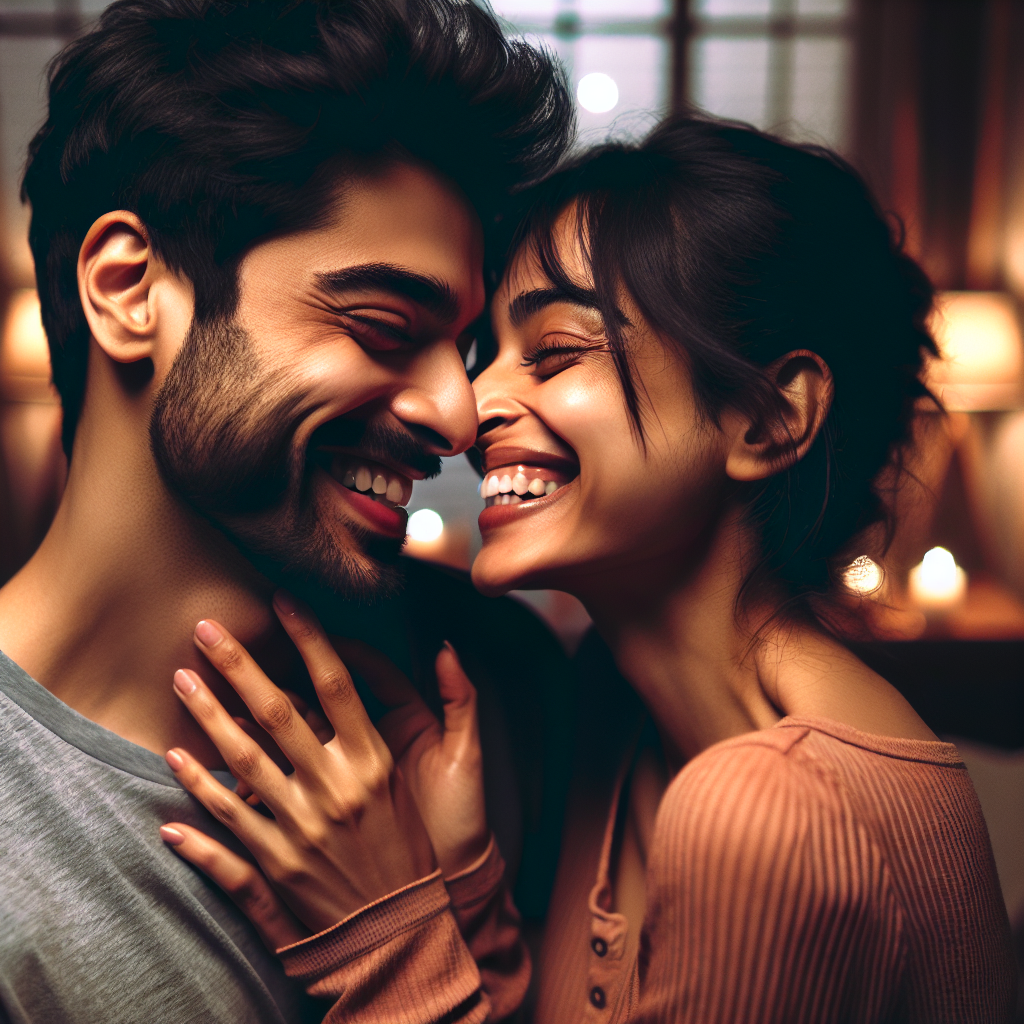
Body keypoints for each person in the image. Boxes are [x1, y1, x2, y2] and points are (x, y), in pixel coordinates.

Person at [164, 114, 1017, 1023]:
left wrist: (384, 940)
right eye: (490, 353)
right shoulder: (615, 704)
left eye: (558, 351)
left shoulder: (770, 810)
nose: (474, 403)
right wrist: (463, 878)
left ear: (769, 419)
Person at [0, 1, 575, 1021]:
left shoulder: (497, 700)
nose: (457, 415)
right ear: (130, 288)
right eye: (382, 324)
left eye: (465, 351)